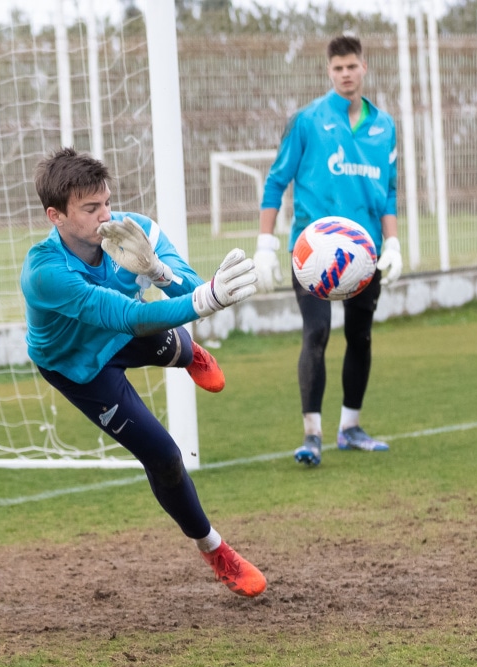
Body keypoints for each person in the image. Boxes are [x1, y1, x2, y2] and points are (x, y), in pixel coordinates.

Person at [21, 147, 266, 597]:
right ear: (55, 216)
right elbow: (127, 317)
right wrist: (202, 300)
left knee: (167, 335)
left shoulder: (137, 232)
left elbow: (196, 288)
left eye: (108, 202)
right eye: (91, 209)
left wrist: (158, 270)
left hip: (126, 330)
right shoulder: (44, 272)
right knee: (164, 457)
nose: (106, 215)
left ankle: (185, 353)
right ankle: (215, 550)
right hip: (80, 366)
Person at [253, 35, 403, 468]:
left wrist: (392, 242)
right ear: (328, 71)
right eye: (337, 68)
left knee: (361, 335)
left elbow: (389, 193)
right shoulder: (307, 121)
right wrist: (265, 245)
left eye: (352, 66)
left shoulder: (384, 126)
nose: (345, 74)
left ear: (364, 68)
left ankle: (350, 427)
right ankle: (312, 434)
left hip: (364, 254)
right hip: (313, 252)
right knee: (316, 333)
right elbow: (275, 182)